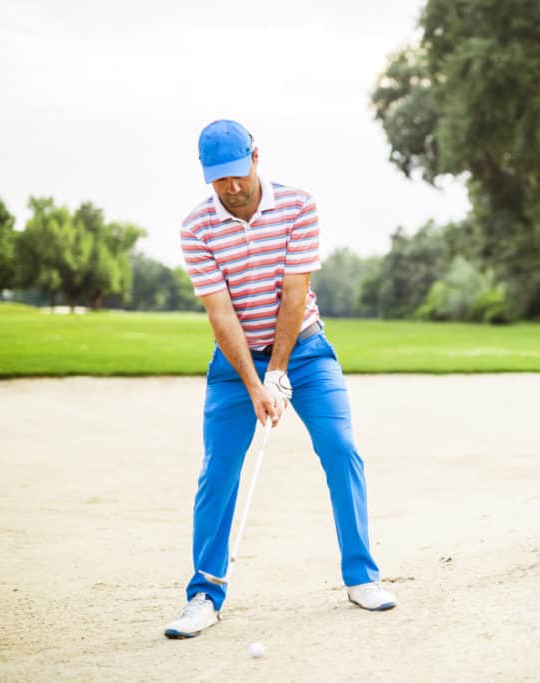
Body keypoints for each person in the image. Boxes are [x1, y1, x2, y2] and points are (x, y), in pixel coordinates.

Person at [164, 119, 395, 639]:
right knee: (218, 471)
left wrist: (280, 371)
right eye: (219, 179)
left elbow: (294, 294)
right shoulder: (196, 228)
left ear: (256, 158)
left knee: (341, 449)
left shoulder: (298, 205)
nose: (232, 187)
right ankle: (204, 594)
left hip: (306, 353)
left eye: (237, 174)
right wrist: (254, 384)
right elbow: (222, 316)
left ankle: (362, 577)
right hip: (235, 364)